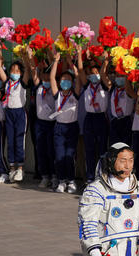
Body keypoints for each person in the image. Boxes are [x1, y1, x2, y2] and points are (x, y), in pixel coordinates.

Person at [0, 45, 30, 182]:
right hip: (9, 113)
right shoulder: (7, 82)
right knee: (10, 141)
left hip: (20, 113)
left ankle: (21, 168)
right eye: (12, 70)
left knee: (19, 141)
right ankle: (11, 168)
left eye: (17, 71)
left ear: (20, 73)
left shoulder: (22, 82)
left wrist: (23, 56)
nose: (14, 72)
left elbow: (27, 69)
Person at [50, 53, 81, 193]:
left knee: (69, 156)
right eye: (63, 79)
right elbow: (51, 77)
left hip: (72, 128)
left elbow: (79, 77)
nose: (65, 81)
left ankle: (72, 181)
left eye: (68, 79)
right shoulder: (58, 94)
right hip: (59, 128)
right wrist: (56, 61)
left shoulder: (74, 94)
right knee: (60, 156)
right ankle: (61, 181)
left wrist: (72, 64)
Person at [78, 54, 110, 184]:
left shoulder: (104, 85)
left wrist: (105, 60)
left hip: (101, 118)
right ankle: (90, 177)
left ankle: (103, 176)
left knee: (102, 149)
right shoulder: (87, 85)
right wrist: (79, 53)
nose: (95, 75)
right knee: (89, 149)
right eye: (92, 73)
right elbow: (80, 70)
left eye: (97, 73)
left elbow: (103, 72)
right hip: (89, 118)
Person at [30, 60, 57, 189]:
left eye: (48, 76)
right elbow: (33, 73)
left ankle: (55, 176)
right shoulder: (39, 86)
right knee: (41, 151)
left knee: (51, 151)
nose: (46, 78)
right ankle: (45, 176)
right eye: (44, 76)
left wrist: (55, 61)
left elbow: (52, 77)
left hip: (52, 124)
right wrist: (31, 58)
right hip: (40, 124)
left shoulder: (54, 88)